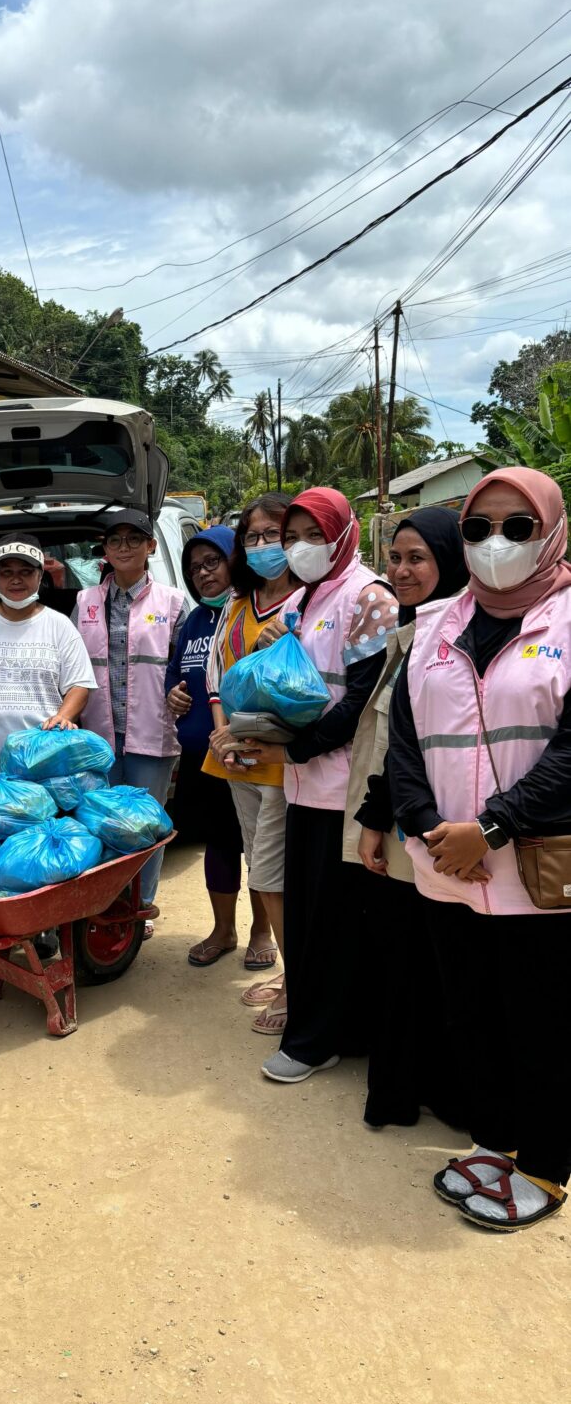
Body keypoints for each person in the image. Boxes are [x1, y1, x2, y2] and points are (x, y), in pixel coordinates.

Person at [389, 466, 571, 1231]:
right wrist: (428, 828)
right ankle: (494, 1142)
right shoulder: (435, 626)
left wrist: (491, 829)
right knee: (470, 1014)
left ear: (553, 532)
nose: (495, 543)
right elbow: (403, 742)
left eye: (516, 527)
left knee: (541, 1023)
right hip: (446, 869)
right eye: (478, 528)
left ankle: (546, 1167)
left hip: (535, 871)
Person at [236, 488, 395, 1084]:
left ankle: (315, 1040)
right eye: (291, 536)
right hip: (306, 783)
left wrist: (292, 747)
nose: (299, 548)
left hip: (343, 788)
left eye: (312, 534)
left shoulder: (367, 597)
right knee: (310, 917)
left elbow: (361, 701)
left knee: (332, 922)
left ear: (344, 533)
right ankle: (327, 1028)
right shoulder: (310, 597)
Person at [346, 508, 468, 1129]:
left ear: (451, 559)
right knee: (401, 958)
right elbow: (396, 742)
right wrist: (376, 815)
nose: (401, 570)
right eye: (395, 558)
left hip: (451, 830)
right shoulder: (410, 632)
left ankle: (445, 1090)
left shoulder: (458, 636)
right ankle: (404, 1086)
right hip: (399, 824)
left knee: (441, 964)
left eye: (417, 558)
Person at [201, 493, 299, 1035]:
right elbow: (217, 674)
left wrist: (293, 640)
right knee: (265, 874)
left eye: (275, 535)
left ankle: (299, 983)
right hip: (237, 760)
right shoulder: (240, 605)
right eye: (253, 537)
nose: (263, 547)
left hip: (287, 764)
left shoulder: (309, 605)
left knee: (272, 874)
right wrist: (220, 730)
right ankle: (292, 976)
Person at [73, 510, 189, 925]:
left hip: (151, 733)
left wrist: (182, 694)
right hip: (100, 737)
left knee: (145, 828)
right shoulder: (84, 602)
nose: (124, 547)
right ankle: (107, 906)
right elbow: (72, 667)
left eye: (133, 539)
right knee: (102, 824)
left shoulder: (173, 602)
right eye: (115, 540)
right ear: (104, 549)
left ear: (151, 547)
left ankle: (141, 909)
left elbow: (188, 664)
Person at [163, 526, 253, 965]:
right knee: (219, 843)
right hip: (204, 757)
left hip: (251, 754)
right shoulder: (195, 620)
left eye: (212, 562)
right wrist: (174, 695)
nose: (202, 573)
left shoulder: (252, 609)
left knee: (260, 848)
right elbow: (176, 674)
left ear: (234, 559)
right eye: (194, 567)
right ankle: (223, 931)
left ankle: (263, 935)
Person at [0, 534, 97, 776]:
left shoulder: (60, 626)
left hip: (43, 764)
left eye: (25, 571)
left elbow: (79, 685)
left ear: (40, 575)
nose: (15, 580)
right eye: (6, 572)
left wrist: (62, 717)